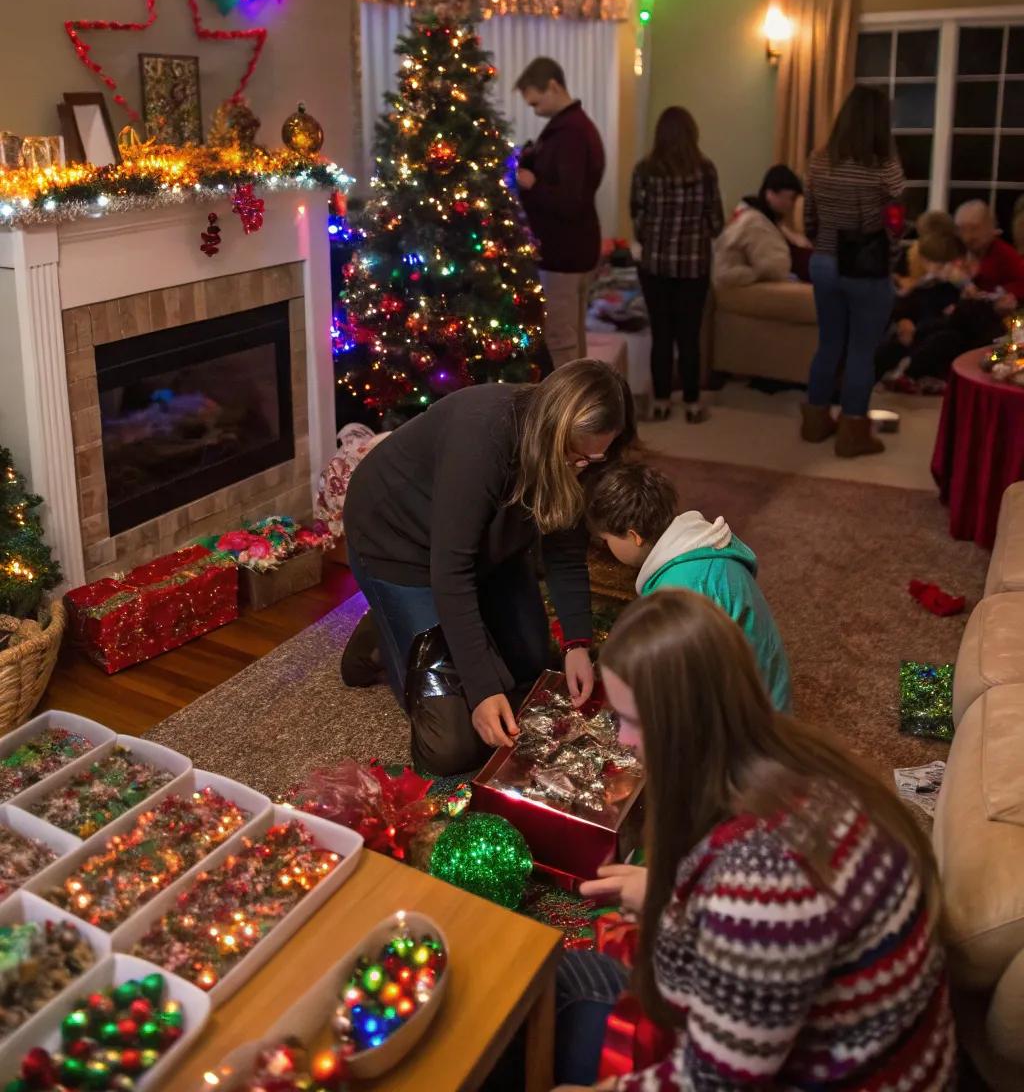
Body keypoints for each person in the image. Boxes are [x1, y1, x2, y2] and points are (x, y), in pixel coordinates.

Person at [552, 591, 955, 1091]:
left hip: (846, 1075)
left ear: (682, 727)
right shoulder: (793, 766)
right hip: (841, 1045)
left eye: (632, 721)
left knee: (561, 994)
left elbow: (714, 1084)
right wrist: (669, 890)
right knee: (564, 976)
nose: (625, 742)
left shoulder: (764, 875)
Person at [341, 360, 634, 776]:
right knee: (453, 746)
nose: (583, 466)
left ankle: (407, 621)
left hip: (486, 548)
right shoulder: (482, 435)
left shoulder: (583, 453)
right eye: (576, 455)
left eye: (594, 458)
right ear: (553, 431)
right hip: (403, 549)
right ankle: (384, 628)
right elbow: (450, 569)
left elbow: (565, 549)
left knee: (532, 670)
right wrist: (481, 691)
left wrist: (577, 643)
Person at [587, 462, 791, 709]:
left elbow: (680, 683)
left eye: (607, 540)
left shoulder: (675, 591)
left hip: (746, 718)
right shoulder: (704, 548)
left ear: (634, 537)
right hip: (769, 693)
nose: (606, 547)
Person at [802, 85, 904, 458]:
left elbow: (809, 216)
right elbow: (895, 222)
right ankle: (852, 432)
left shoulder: (819, 160)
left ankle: (814, 422)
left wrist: (821, 244)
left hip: (824, 262)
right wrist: (891, 258)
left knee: (828, 343)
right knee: (862, 350)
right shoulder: (884, 166)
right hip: (866, 267)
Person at [630, 107, 723, 424]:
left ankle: (660, 402)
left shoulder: (645, 170)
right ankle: (693, 404)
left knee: (661, 334)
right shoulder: (706, 169)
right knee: (689, 335)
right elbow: (716, 222)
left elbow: (638, 221)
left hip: (655, 266)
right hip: (694, 267)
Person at [514, 58, 605, 369]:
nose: (535, 111)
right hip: (573, 249)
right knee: (571, 335)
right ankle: (578, 407)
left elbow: (570, 200)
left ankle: (568, 413)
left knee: (560, 340)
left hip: (563, 254)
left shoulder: (571, 135)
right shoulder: (570, 129)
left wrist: (531, 183)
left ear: (553, 86)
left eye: (536, 102)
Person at [885, 201, 1024, 388]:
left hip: (990, 324)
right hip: (949, 320)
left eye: (974, 229)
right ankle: (906, 370)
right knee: (945, 335)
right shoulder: (952, 251)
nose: (968, 236)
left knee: (965, 314)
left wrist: (1006, 298)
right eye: (961, 230)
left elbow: (1016, 294)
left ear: (991, 228)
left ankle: (909, 366)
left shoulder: (1005, 256)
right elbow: (925, 285)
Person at [713, 163, 811, 288]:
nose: (792, 204)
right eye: (790, 198)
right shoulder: (755, 222)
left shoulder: (755, 215)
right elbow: (775, 267)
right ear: (770, 194)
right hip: (735, 281)